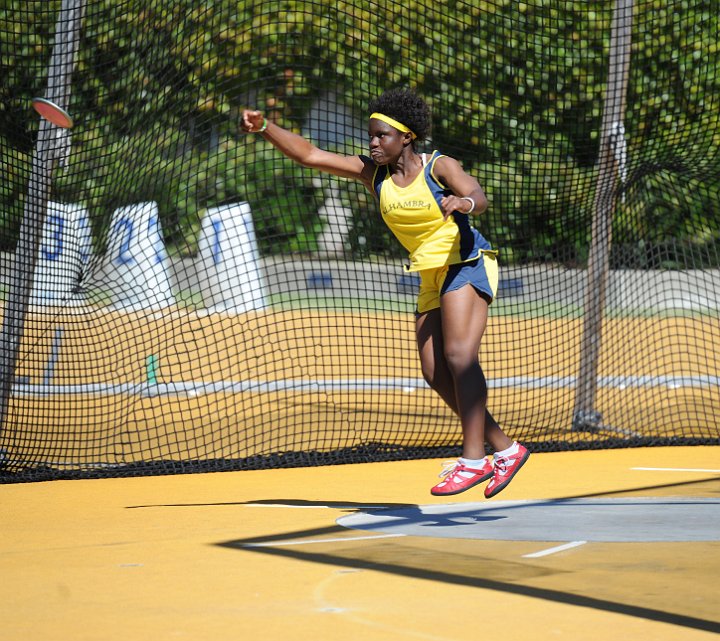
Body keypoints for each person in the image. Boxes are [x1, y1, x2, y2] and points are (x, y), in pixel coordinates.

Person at [240, 88, 529, 498]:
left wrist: (463, 202)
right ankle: (506, 448)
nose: (373, 143)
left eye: (382, 136)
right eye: (371, 136)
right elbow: (310, 155)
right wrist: (266, 127)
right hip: (431, 273)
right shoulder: (373, 173)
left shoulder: (438, 166)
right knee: (434, 372)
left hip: (465, 263)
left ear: (406, 137)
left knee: (460, 357)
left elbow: (477, 194)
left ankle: (472, 461)